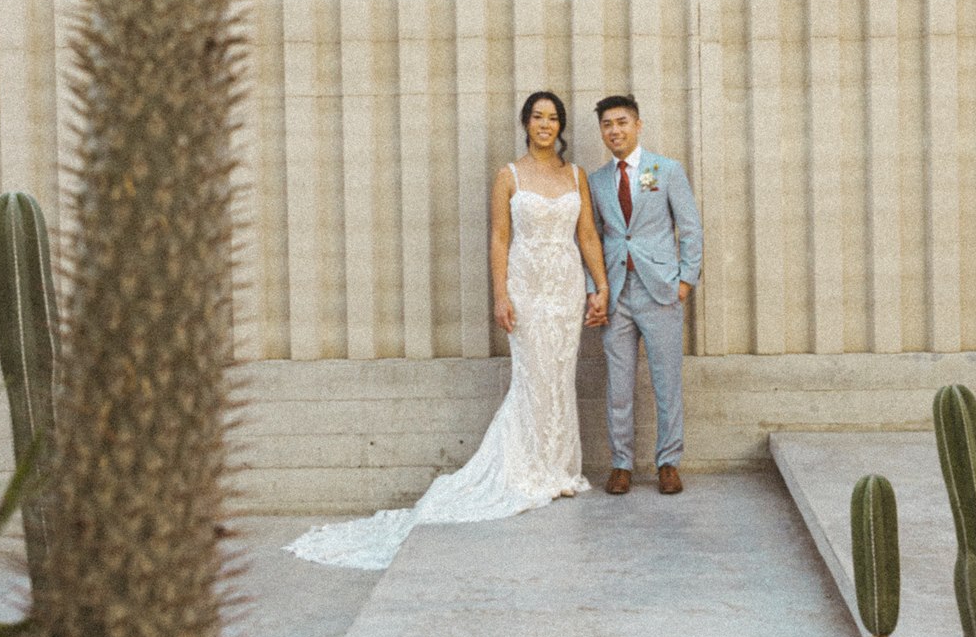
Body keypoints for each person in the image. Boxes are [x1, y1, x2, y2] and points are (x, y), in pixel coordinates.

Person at [285, 91, 609, 571]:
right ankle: (528, 469)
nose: (546, 125)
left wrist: (598, 286)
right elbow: (500, 238)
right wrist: (501, 295)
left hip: (563, 286)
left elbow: (586, 235)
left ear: (560, 126)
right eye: (538, 117)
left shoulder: (575, 175)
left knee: (559, 375)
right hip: (527, 285)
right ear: (525, 123)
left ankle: (559, 468)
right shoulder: (509, 175)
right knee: (533, 375)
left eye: (553, 118)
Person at [587, 95, 702, 496]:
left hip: (660, 290)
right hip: (617, 293)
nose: (614, 130)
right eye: (607, 125)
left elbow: (689, 228)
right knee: (619, 384)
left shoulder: (665, 170)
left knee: (666, 380)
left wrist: (685, 280)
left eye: (621, 122)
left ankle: (668, 462)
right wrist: (594, 290)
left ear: (637, 125)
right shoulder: (597, 180)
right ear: (601, 130)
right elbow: (592, 238)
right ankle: (621, 463)